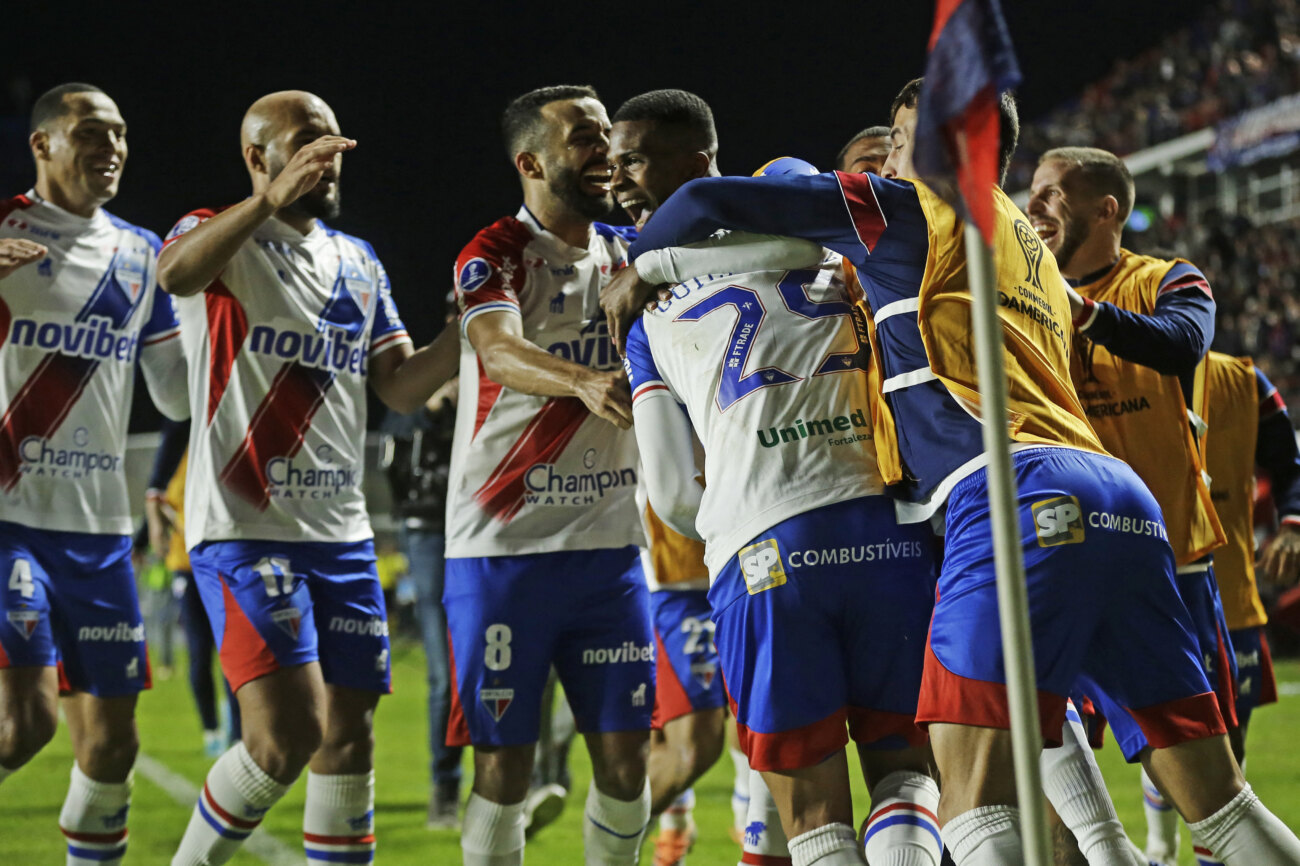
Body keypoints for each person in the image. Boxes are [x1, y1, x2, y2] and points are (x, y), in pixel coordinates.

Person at [612, 77, 1300, 866]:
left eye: (899, 143)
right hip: (1119, 499)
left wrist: (643, 264)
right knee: (1222, 807)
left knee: (972, 807)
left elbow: (702, 203)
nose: (888, 159)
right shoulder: (1028, 243)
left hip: (1005, 493)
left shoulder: (904, 208)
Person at [158, 89, 458, 866]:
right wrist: (265, 202)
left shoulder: (358, 262)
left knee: (349, 740)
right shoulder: (215, 236)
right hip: (243, 526)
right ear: (259, 158)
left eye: (332, 140)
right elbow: (174, 275)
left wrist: (466, 333)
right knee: (284, 736)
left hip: (343, 535)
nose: (327, 154)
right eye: (303, 142)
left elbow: (395, 387)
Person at [622, 153, 943, 866]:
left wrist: (732, 519)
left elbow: (672, 492)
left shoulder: (648, 315)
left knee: (815, 817)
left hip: (763, 544)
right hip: (891, 531)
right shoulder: (856, 265)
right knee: (907, 776)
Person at [444, 84, 654, 866]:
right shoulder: (494, 251)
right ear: (531, 161)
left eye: (607, 133)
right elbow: (495, 350)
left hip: (609, 551)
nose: (606, 149)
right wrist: (584, 380)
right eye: (584, 137)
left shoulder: (630, 253)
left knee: (628, 765)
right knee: (504, 769)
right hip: (504, 551)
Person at [1026, 147, 1237, 865]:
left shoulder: (1167, 280)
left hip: (1168, 562)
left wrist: (1083, 313)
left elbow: (1182, 345)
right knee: (1051, 773)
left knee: (1206, 780)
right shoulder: (1023, 300)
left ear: (1106, 208)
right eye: (1032, 193)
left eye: (1053, 194)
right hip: (1057, 562)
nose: (1034, 208)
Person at [0, 82, 189, 866]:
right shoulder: (3, 229)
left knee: (111, 747)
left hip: (100, 533)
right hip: (10, 518)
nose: (111, 147)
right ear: (41, 144)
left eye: (119, 133)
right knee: (26, 724)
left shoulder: (140, 254)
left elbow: (176, 390)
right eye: (90, 131)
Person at [610, 88, 726, 866]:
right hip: (680, 561)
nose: (617, 176)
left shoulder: (749, 236)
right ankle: (610, 840)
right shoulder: (612, 250)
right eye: (613, 160)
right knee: (697, 741)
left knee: (767, 734)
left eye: (635, 160)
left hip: (758, 531)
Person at [379, 370, 463, 829]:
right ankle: (445, 788)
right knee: (444, 676)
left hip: (484, 534)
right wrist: (435, 408)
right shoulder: (412, 402)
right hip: (430, 534)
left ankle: (521, 781)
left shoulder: (489, 384)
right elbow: (396, 450)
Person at [143, 418, 243, 757]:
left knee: (232, 653)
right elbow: (158, 498)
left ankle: (237, 734)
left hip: (225, 565)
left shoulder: (230, 438)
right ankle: (211, 729)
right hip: (186, 565)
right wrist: (158, 527)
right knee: (200, 655)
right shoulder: (181, 444)